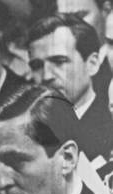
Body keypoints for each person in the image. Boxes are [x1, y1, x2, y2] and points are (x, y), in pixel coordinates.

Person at [28, 13, 113, 161]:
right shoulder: (28, 131)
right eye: (37, 66)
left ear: (92, 64)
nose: (46, 75)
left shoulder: (109, 126)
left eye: (59, 61)